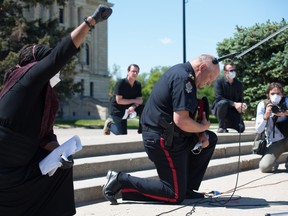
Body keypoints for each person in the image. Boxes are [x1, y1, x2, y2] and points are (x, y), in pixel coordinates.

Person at [0, 5, 112, 216]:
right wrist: (91, 22)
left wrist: (60, 153)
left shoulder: (43, 93)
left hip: (23, 153)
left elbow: (45, 135)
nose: (57, 74)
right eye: (53, 70)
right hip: (8, 159)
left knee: (60, 172)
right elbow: (60, 55)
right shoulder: (28, 77)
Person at [102, 54, 220, 205]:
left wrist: (201, 133)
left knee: (210, 138)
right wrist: (204, 126)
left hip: (172, 135)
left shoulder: (184, 74)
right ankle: (120, 179)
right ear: (202, 68)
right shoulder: (183, 78)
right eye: (210, 77)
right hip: (161, 139)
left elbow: (185, 117)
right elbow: (182, 121)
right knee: (174, 195)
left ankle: (187, 189)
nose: (209, 83)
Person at [255, 82, 288, 173]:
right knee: (265, 167)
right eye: (272, 94)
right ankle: (273, 162)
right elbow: (258, 129)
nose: (275, 96)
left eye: (278, 94)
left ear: (282, 94)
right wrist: (266, 116)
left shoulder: (286, 102)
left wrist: (285, 113)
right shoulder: (263, 105)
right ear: (268, 95)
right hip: (275, 142)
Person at [103, 64, 144, 135]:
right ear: (128, 72)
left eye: (137, 72)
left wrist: (133, 106)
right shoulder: (121, 83)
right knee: (122, 133)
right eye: (133, 71)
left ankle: (141, 131)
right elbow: (119, 101)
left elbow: (139, 100)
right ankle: (109, 124)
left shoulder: (138, 84)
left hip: (129, 108)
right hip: (117, 109)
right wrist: (134, 101)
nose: (135, 73)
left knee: (144, 109)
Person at [211, 62, 247, 133]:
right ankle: (221, 126)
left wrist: (243, 105)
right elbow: (219, 97)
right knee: (223, 103)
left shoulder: (238, 84)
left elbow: (241, 99)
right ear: (225, 72)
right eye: (231, 70)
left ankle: (227, 123)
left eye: (234, 70)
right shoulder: (219, 82)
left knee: (241, 128)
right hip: (220, 108)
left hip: (232, 111)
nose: (233, 72)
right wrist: (234, 104)